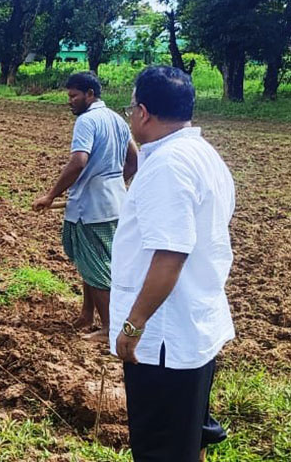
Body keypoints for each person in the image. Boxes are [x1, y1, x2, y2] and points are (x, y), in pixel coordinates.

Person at [111, 66, 233, 461]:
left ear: (143, 112)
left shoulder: (167, 166)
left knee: (161, 449)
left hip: (163, 338)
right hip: (192, 327)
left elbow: (170, 254)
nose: (131, 116)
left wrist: (133, 324)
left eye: (130, 108)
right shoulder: (202, 154)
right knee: (187, 437)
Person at [33, 72, 138, 343]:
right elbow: (133, 160)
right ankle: (86, 314)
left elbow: (79, 161)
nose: (70, 101)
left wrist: (51, 195)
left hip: (90, 207)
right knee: (88, 260)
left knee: (95, 265)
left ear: (90, 94)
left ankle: (109, 327)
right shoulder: (117, 118)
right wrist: (114, 185)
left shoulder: (86, 121)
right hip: (114, 202)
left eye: (74, 96)